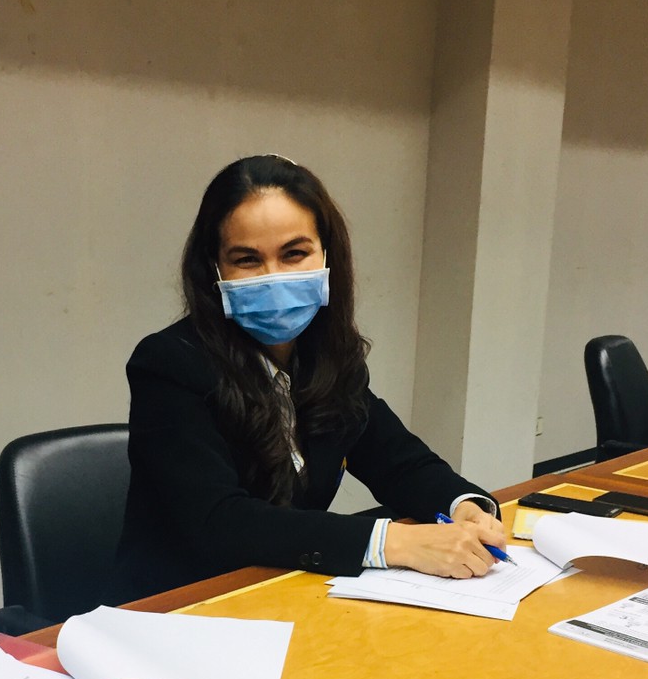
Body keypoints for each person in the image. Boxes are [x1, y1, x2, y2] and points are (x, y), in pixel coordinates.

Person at [110, 154, 508, 603]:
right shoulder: (168, 363)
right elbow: (219, 521)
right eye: (247, 259)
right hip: (181, 605)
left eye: (294, 254)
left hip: (286, 590)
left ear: (326, 255)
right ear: (214, 269)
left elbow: (400, 462)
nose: (273, 277)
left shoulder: (329, 359)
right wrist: (391, 542)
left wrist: (464, 506)